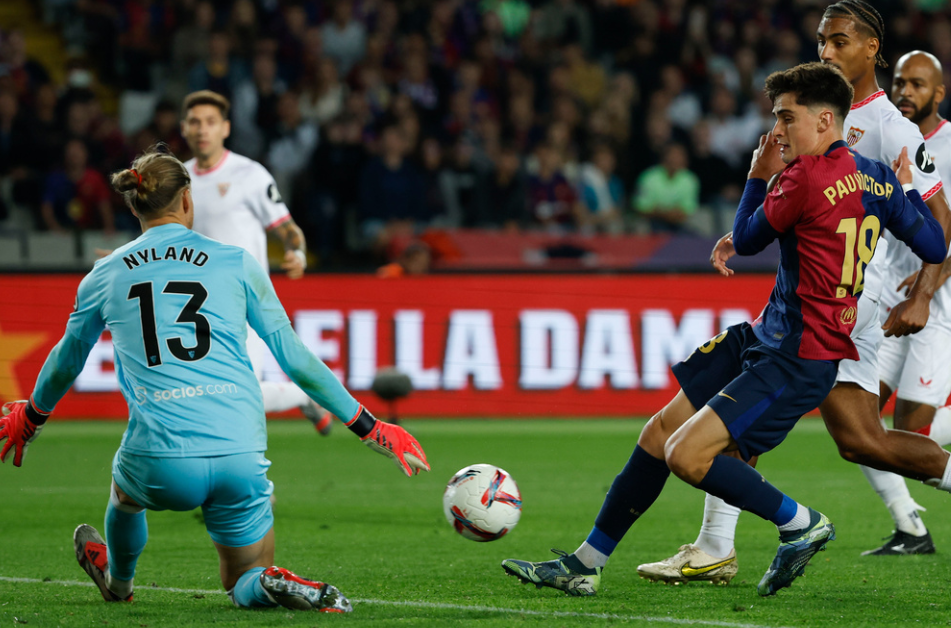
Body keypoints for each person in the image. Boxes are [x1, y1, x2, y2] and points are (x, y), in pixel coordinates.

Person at [501, 62, 948, 598]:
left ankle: (800, 522)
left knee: (688, 456)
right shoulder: (875, 174)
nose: (777, 131)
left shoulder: (802, 177)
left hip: (795, 354)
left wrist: (759, 174)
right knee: (658, 434)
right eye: (776, 119)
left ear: (825, 119)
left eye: (787, 118)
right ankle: (585, 563)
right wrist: (899, 194)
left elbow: (747, 236)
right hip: (769, 335)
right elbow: (936, 247)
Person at [0, 145, 430, 611]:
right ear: (187, 199)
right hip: (239, 452)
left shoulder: (104, 274)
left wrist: (33, 415)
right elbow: (295, 358)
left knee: (124, 494)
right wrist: (371, 427)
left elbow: (67, 360)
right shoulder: (236, 261)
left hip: (160, 458)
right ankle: (266, 581)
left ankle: (119, 583)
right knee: (244, 575)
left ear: (132, 203)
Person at [637, 0, 951, 583]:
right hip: (813, 303)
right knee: (856, 440)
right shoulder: (809, 112)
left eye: (837, 41)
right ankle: (714, 547)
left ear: (870, 49)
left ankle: (724, 545)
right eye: (821, 40)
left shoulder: (890, 127)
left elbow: (939, 218)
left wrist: (924, 294)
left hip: (853, 313)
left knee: (837, 434)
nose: (825, 50)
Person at [179, 90, 333, 435]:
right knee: (204, 399)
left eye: (210, 122)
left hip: (246, 301)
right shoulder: (178, 182)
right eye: (195, 122)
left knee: (240, 396)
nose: (202, 129)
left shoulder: (250, 175)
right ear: (184, 129)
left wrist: (298, 253)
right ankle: (300, 396)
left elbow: (288, 229)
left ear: (226, 128)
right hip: (194, 308)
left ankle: (256, 485)